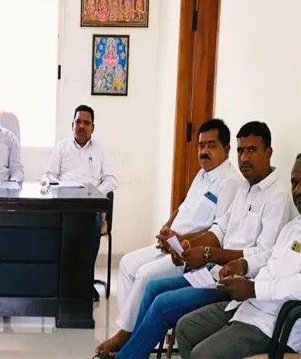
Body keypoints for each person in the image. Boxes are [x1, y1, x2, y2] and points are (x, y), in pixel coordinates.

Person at [102, 121, 298, 359]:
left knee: (162, 305)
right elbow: (221, 228)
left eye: (252, 150)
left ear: (268, 152)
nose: (244, 158)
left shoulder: (277, 197)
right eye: (241, 151)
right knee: (153, 289)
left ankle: (127, 354)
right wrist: (188, 246)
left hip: (236, 285)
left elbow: (263, 254)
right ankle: (131, 348)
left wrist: (208, 254)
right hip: (214, 273)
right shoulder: (245, 187)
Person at [94, 119, 241, 357]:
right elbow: (183, 207)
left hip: (189, 252)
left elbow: (218, 234)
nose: (204, 151)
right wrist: (167, 227)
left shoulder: (230, 182)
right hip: (172, 242)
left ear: (226, 149)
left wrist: (181, 239)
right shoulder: (203, 174)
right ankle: (132, 331)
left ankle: (127, 337)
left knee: (145, 275)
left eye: (211, 145)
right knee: (127, 264)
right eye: (201, 145)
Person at [176, 154, 301, 359]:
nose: (298, 190)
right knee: (185, 329)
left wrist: (254, 288)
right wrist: (243, 265)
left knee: (203, 355)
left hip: (274, 325)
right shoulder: (292, 227)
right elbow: (269, 256)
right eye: (294, 183)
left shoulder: (277, 198)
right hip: (248, 306)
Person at [43, 105, 117, 300]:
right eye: (78, 122)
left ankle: (84, 282)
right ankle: (64, 282)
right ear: (72, 125)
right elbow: (48, 175)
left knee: (89, 226)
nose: (82, 126)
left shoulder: (100, 149)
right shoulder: (62, 147)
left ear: (93, 127)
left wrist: (94, 195)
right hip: (65, 205)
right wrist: (60, 189)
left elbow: (111, 179)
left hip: (90, 207)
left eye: (86, 123)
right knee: (61, 228)